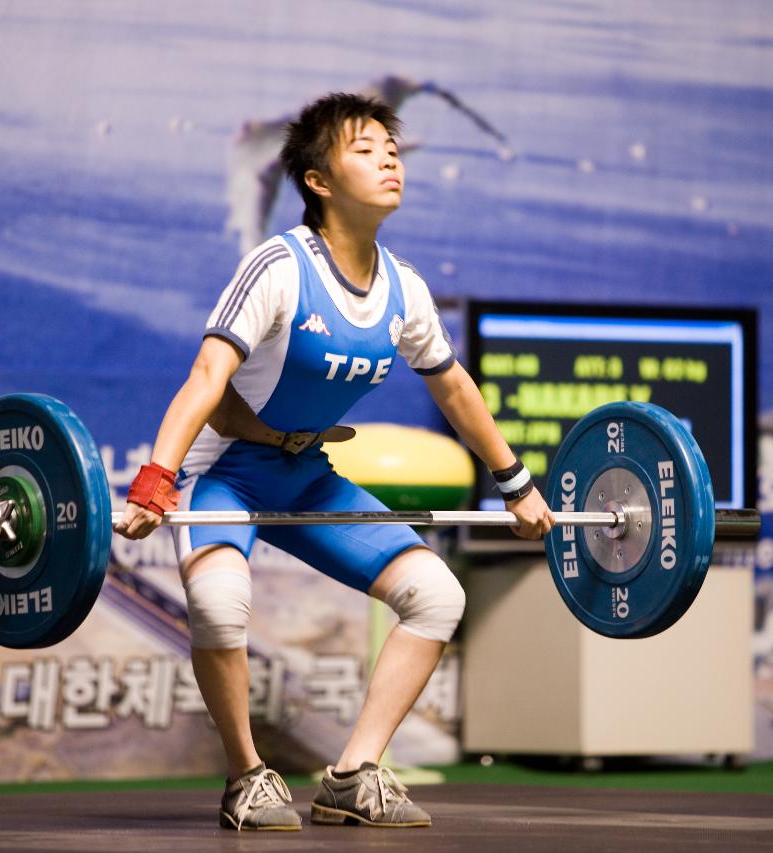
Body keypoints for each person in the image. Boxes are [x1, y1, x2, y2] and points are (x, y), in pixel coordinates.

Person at [114, 92, 553, 831]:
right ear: (317, 180)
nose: (388, 158)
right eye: (364, 147)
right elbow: (206, 378)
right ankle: (246, 776)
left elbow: (453, 386)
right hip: (226, 472)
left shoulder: (403, 289)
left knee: (438, 595)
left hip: (307, 473)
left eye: (391, 146)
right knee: (220, 605)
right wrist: (157, 479)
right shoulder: (279, 267)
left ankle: (352, 775)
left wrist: (516, 484)